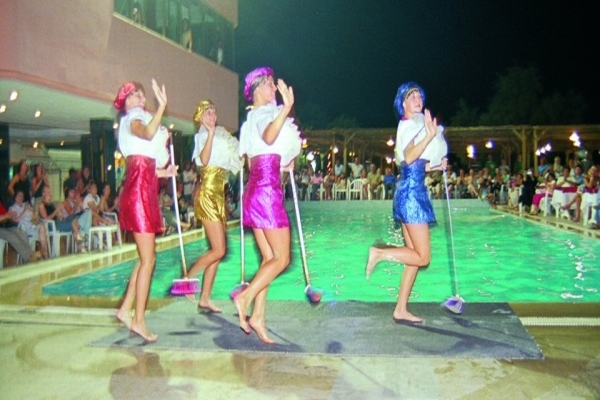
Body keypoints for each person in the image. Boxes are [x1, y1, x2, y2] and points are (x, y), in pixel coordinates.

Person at [366, 82, 447, 323]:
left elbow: (412, 164)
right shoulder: (410, 125)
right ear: (403, 104)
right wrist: (430, 135)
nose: (417, 98)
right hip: (412, 196)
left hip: (409, 191)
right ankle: (380, 253)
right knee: (423, 258)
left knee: (413, 257)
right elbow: (411, 156)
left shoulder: (413, 125)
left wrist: (435, 166)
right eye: (411, 96)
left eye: (419, 95)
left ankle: (400, 309)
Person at [234, 66, 301, 343]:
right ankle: (245, 297)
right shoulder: (263, 114)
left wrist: (281, 164)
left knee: (269, 258)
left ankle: (258, 317)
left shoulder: (250, 120)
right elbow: (269, 137)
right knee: (282, 258)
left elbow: (256, 159)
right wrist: (287, 108)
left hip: (255, 190)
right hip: (267, 194)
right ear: (258, 89)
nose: (274, 88)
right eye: (270, 84)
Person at [113, 79, 177, 342]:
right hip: (139, 194)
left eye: (141, 94)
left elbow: (143, 163)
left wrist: (164, 172)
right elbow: (148, 134)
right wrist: (161, 106)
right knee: (149, 260)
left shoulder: (135, 121)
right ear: (126, 102)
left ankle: (125, 309)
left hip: (143, 190)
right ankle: (138, 320)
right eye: (135, 94)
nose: (141, 97)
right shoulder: (133, 119)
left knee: (144, 258)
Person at [184, 100, 241, 312]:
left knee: (217, 251)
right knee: (219, 249)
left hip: (218, 196)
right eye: (207, 112)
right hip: (207, 195)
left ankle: (205, 297)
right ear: (200, 116)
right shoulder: (202, 136)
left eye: (214, 112)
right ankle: (188, 278)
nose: (212, 115)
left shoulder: (221, 135)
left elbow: (235, 158)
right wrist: (209, 134)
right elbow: (205, 160)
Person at [9, 190, 49, 259]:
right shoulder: (12, 208)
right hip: (23, 229)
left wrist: (33, 213)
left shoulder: (25, 205)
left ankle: (43, 251)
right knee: (42, 233)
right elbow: (16, 220)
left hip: (32, 225)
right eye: (19, 196)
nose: (20, 198)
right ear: (15, 197)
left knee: (42, 226)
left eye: (22, 196)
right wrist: (25, 210)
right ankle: (44, 253)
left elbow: (33, 216)